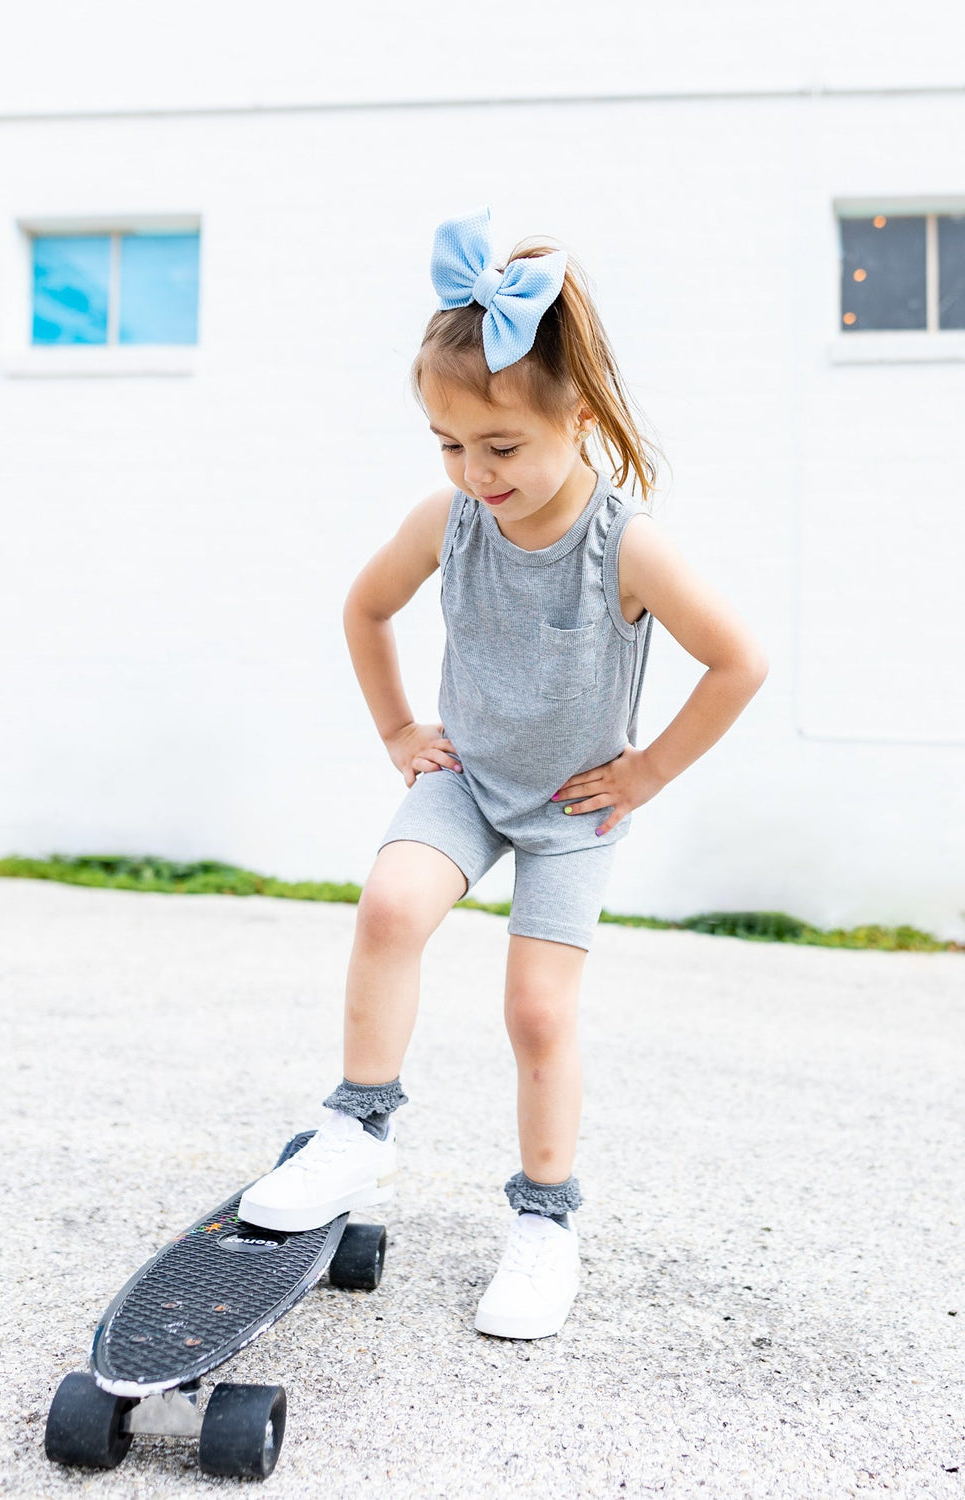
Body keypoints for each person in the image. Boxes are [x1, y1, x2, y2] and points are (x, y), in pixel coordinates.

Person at [239, 207, 768, 1339]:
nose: (473, 473)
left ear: (574, 420)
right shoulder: (451, 521)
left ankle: (542, 1225)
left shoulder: (626, 547)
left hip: (573, 810)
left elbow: (739, 660)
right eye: (447, 445)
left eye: (500, 448)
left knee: (536, 1012)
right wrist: (397, 732)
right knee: (389, 907)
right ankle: (355, 1130)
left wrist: (645, 776)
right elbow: (365, 607)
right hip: (469, 780)